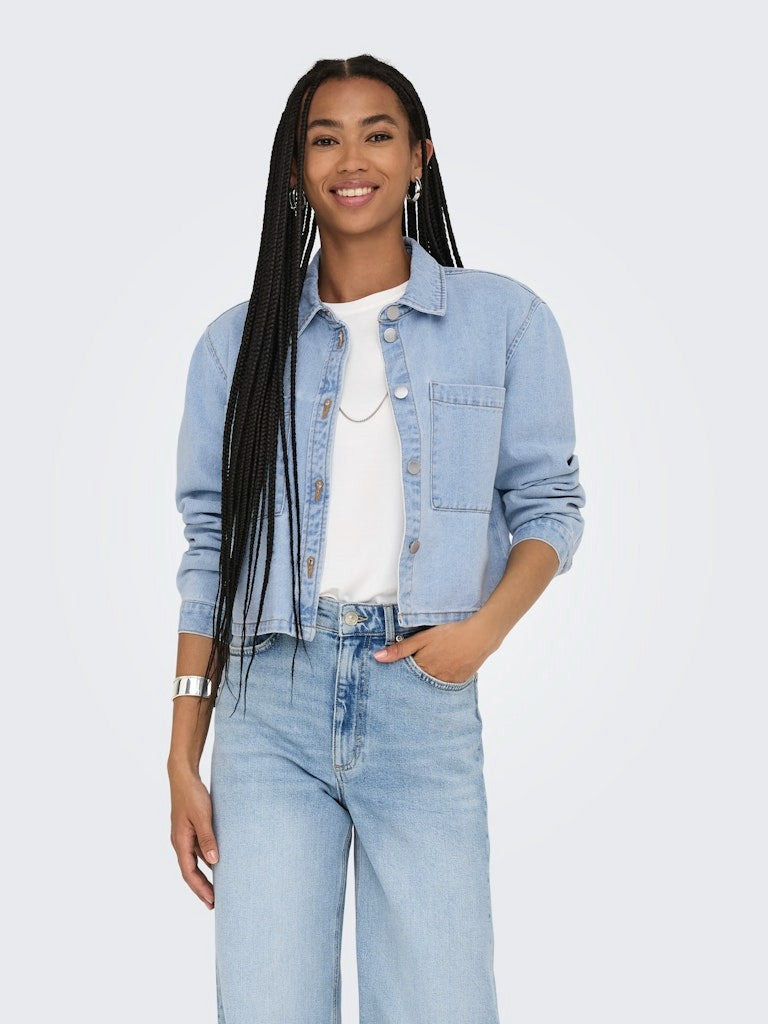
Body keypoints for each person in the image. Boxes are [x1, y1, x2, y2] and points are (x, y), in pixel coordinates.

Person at [167, 54, 586, 1024]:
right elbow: (210, 549)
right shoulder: (236, 344)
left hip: (421, 700)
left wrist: (480, 633)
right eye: (325, 138)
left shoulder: (506, 319)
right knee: (267, 1005)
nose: (351, 158)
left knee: (442, 1004)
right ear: (296, 169)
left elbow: (550, 506)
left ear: (419, 158)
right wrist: (184, 753)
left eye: (378, 134)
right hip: (268, 706)